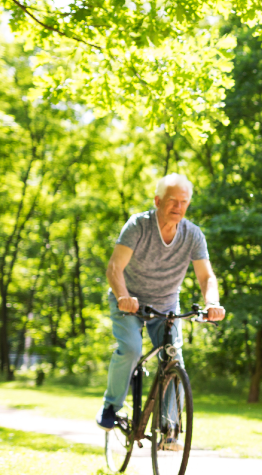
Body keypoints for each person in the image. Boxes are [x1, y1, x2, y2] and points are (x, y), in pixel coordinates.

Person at [96, 173, 226, 431]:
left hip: (165, 306)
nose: (178, 207)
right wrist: (122, 297)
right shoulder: (138, 226)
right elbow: (114, 267)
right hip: (129, 302)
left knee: (173, 357)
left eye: (183, 201)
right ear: (157, 201)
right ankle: (110, 406)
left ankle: (169, 427)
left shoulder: (193, 235)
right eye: (172, 200)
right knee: (131, 349)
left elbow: (206, 277)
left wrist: (212, 303)